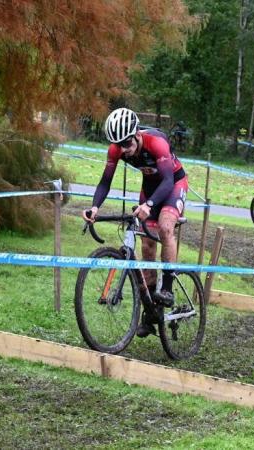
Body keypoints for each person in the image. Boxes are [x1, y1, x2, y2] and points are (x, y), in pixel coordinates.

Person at [82, 107, 189, 337]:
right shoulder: (117, 149)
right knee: (146, 246)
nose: (124, 151)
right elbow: (105, 182)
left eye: (127, 144)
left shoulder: (156, 142)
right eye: (119, 145)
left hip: (174, 185)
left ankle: (168, 289)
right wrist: (94, 206)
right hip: (150, 187)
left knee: (165, 227)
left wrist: (149, 205)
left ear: (137, 135)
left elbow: (169, 180)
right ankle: (151, 311)